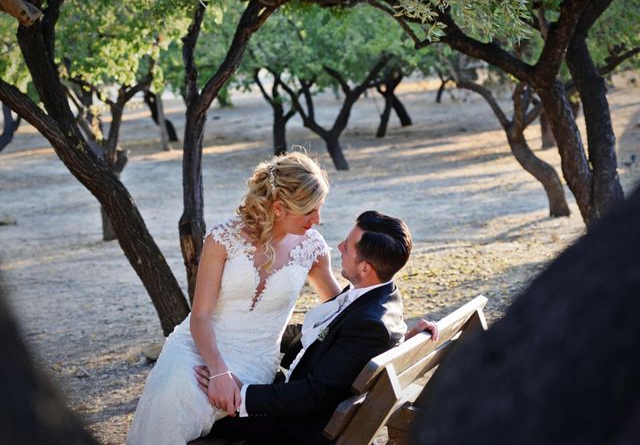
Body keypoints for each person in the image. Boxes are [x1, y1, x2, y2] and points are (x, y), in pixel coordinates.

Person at [127, 152, 340, 444]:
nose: (318, 220)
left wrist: (400, 330)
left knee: (192, 402)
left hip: (254, 362)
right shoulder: (222, 239)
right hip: (198, 348)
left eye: (320, 208)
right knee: (173, 394)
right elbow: (200, 315)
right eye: (309, 211)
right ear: (279, 208)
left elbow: (342, 308)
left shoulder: (313, 249)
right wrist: (218, 371)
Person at [195, 210, 439, 444]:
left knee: (196, 411)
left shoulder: (369, 325)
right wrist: (407, 338)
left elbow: (313, 394)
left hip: (299, 427)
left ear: (365, 268)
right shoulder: (383, 298)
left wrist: (243, 393)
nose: (340, 247)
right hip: (300, 406)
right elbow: (338, 346)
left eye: (348, 245)